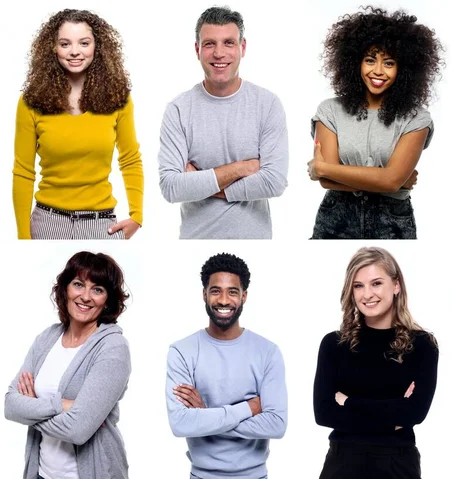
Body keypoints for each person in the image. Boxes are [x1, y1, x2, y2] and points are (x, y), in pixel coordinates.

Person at [307, 6, 442, 239]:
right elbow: (327, 183)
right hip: (336, 218)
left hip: (392, 221)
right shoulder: (330, 110)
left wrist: (322, 168)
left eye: (389, 63)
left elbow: (389, 181)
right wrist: (391, 180)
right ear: (355, 62)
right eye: (370, 60)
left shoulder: (416, 118)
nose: (378, 71)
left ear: (404, 69)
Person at [158, 6, 289, 239]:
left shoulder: (267, 104)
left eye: (228, 42)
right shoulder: (178, 110)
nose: (219, 53)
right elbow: (171, 187)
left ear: (242, 47)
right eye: (210, 44)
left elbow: (273, 182)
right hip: (195, 242)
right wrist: (242, 168)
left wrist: (202, 183)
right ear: (197, 50)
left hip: (255, 243)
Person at [12, 9, 144, 240]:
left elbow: (130, 159)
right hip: (47, 223)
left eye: (84, 43)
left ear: (97, 47)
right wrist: (24, 236)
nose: (75, 51)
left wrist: (137, 216)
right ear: (52, 48)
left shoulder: (118, 99)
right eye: (65, 44)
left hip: (101, 224)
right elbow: (23, 171)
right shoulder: (31, 102)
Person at [313, 247, 438, 478]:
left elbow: (415, 413)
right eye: (358, 286)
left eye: (376, 283)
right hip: (342, 464)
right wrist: (392, 417)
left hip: (397, 464)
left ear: (396, 285)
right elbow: (324, 414)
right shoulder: (334, 344)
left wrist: (348, 401)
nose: (367, 294)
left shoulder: (422, 344)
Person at [4, 252, 131, 479]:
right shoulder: (47, 338)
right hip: (41, 474)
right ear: (65, 289)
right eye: (78, 284)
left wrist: (31, 408)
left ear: (108, 300)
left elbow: (78, 430)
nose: (85, 296)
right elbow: (10, 406)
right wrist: (60, 405)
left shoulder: (113, 347)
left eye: (98, 289)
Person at [166, 253, 287, 478]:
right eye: (215, 291)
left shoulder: (267, 352)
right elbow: (180, 423)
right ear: (204, 294)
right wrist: (248, 409)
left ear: (244, 296)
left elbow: (276, 425)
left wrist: (205, 415)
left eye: (232, 291)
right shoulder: (182, 351)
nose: (223, 300)